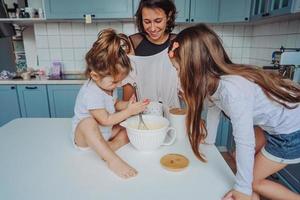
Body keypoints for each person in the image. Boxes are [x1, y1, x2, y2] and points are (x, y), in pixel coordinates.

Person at [168, 23, 300, 200]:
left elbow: (245, 140)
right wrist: (209, 141)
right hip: (274, 124)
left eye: (178, 70)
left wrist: (242, 189)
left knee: (253, 182)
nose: (178, 76)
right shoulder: (214, 82)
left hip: (291, 132)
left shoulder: (233, 89)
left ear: (194, 67)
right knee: (238, 157)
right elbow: (215, 107)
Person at [72, 29, 149, 179]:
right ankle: (112, 160)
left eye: (120, 80)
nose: (119, 85)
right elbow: (105, 119)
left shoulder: (107, 87)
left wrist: (129, 105)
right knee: (87, 123)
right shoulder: (91, 92)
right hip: (86, 138)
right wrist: (129, 111)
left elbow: (114, 104)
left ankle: (109, 148)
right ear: (94, 75)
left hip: (105, 133)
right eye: (115, 81)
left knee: (130, 128)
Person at [122, 0, 180, 109]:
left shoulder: (177, 43)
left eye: (158, 21)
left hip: (172, 111)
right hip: (143, 112)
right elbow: (128, 84)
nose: (152, 28)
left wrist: (194, 114)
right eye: (147, 22)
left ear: (169, 16)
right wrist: (126, 114)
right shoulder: (134, 43)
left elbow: (186, 84)